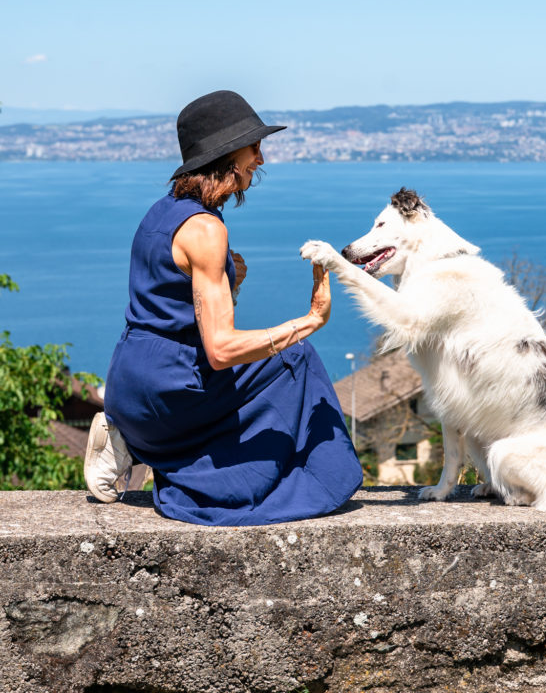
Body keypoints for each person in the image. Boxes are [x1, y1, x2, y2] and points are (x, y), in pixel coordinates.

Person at [84, 90, 362, 526]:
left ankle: (128, 441)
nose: (262, 159)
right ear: (228, 154)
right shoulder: (207, 230)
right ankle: (321, 478)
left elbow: (166, 306)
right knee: (297, 359)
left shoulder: (163, 212)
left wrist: (230, 280)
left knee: (271, 362)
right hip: (169, 395)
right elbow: (220, 350)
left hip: (129, 387)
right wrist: (310, 320)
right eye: (255, 147)